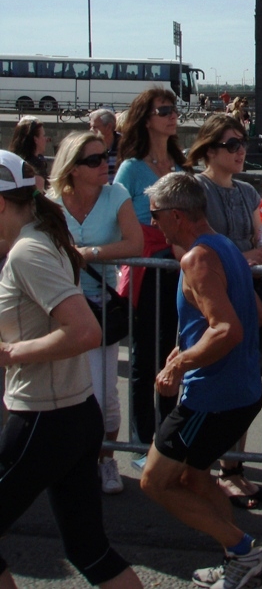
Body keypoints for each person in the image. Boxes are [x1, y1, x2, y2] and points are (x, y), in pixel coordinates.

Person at [0, 150, 142, 589]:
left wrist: (10, 354)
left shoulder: (29, 251)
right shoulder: (41, 238)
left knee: (87, 547)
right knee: (87, 549)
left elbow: (83, 331)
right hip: (72, 415)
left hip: (45, 417)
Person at [138, 173, 262, 589]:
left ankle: (245, 549)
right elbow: (257, 316)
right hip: (241, 391)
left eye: (156, 215)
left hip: (210, 396)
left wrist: (180, 365)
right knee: (196, 479)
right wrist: (189, 347)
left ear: (177, 215)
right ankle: (237, 558)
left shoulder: (197, 258)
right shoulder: (228, 248)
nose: (154, 223)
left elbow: (226, 330)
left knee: (155, 482)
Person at [186, 114, 262, 508]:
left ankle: (232, 467)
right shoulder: (196, 191)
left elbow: (260, 235)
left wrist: (260, 252)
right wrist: (247, 256)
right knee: (211, 381)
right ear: (210, 150)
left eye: (242, 143)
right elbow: (190, 251)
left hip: (248, 292)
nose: (241, 151)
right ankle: (204, 467)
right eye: (232, 145)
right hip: (213, 299)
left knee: (247, 385)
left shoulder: (246, 191)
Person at [50, 131, 144, 494]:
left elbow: (134, 243)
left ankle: (106, 460)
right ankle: (70, 461)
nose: (104, 163)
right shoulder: (52, 203)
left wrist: (86, 254)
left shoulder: (115, 195)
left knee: (104, 394)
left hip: (101, 306)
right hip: (60, 306)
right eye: (93, 160)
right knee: (62, 391)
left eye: (105, 155)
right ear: (72, 169)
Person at [113, 88, 187, 459]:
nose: (173, 115)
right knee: (146, 358)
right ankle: (144, 441)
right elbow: (121, 220)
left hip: (177, 269)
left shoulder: (177, 163)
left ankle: (167, 437)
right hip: (148, 269)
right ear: (147, 119)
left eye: (174, 109)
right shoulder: (130, 168)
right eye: (165, 110)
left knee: (171, 356)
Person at [9, 115, 50, 191]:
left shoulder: (11, 161)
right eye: (43, 136)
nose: (46, 139)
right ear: (35, 139)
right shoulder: (34, 168)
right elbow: (39, 199)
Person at [89, 108, 121, 182]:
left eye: (94, 127)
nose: (91, 130)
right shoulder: (89, 146)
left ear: (108, 127)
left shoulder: (125, 144)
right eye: (90, 127)